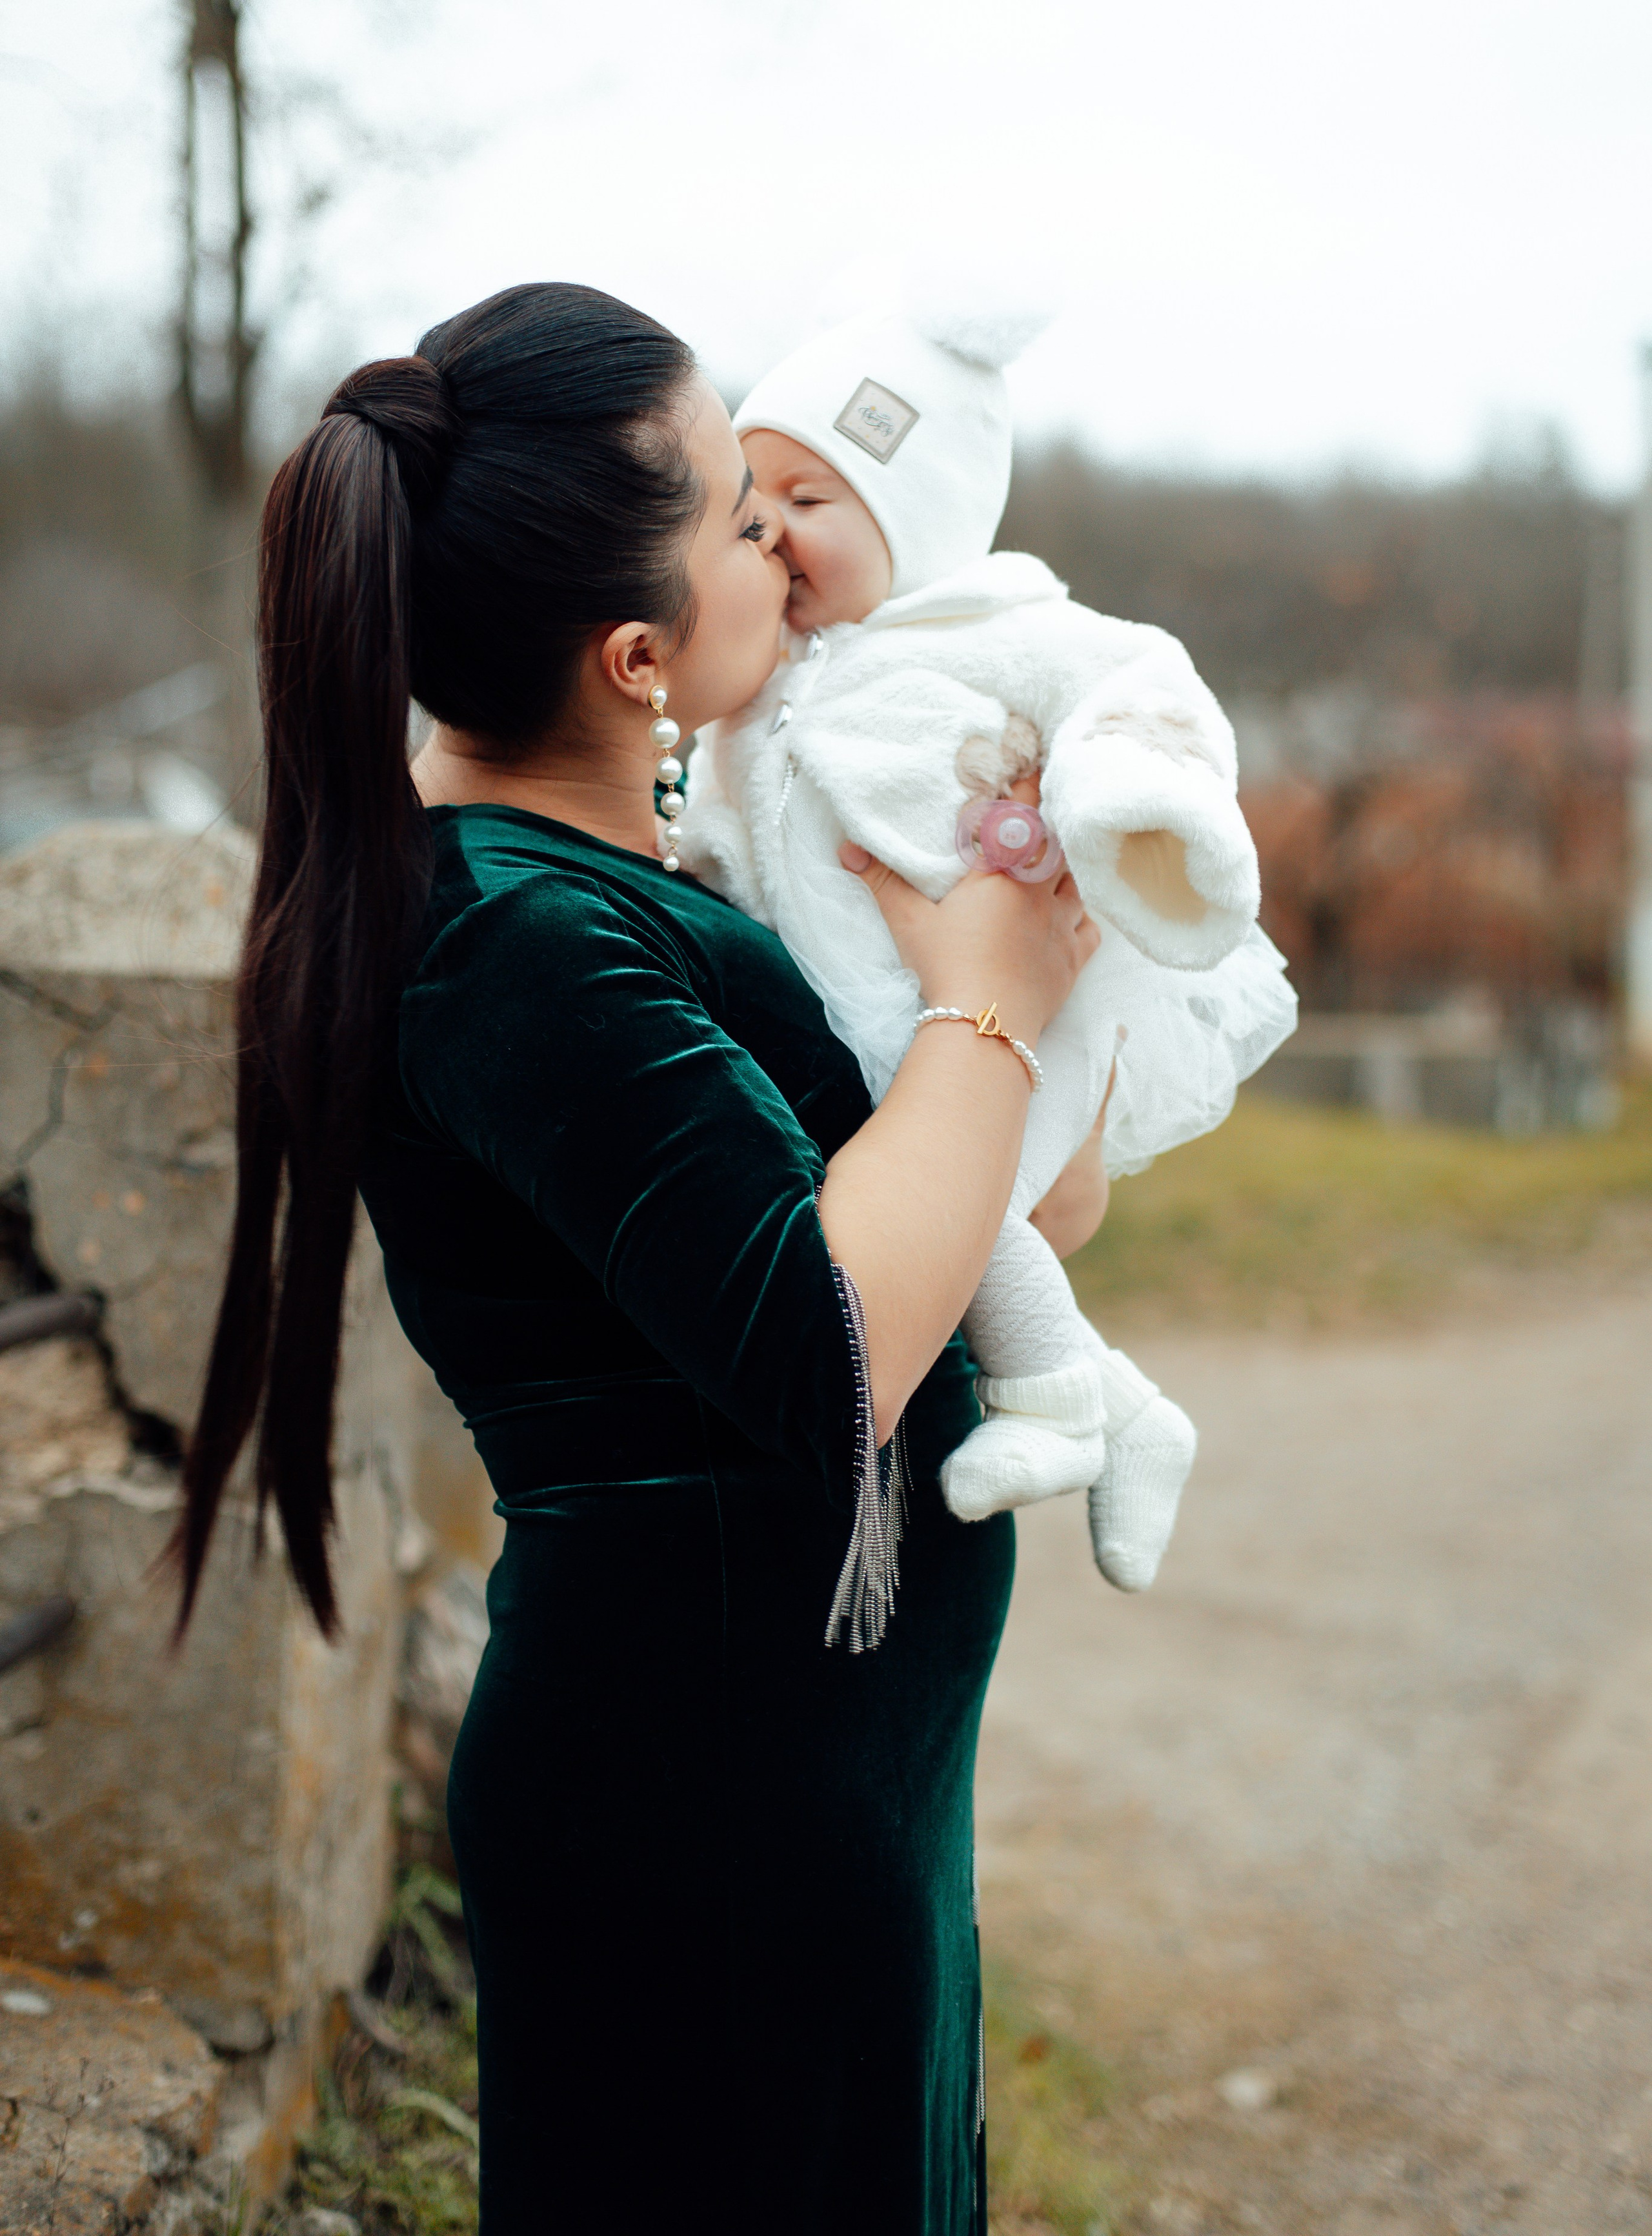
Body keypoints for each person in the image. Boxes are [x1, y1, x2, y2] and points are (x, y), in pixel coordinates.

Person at [172, 281, 1101, 2233]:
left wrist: (1007, 997)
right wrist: (991, 1006)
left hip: (809, 1788)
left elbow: (989, 1213)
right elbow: (829, 1337)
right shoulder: (517, 936)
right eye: (731, 519)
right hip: (712, 1816)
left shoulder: (618, 886)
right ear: (633, 655)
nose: (783, 542)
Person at [678, 298, 1298, 1589]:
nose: (773, 529)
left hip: (1021, 989)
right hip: (884, 1016)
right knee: (937, 1205)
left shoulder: (985, 630)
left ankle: (1066, 1399)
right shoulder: (761, 693)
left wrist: (1141, 808)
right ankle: (1115, 1410)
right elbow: (731, 830)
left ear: (919, 521)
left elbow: (1136, 690)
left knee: (975, 1203)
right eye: (751, 498)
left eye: (812, 496)